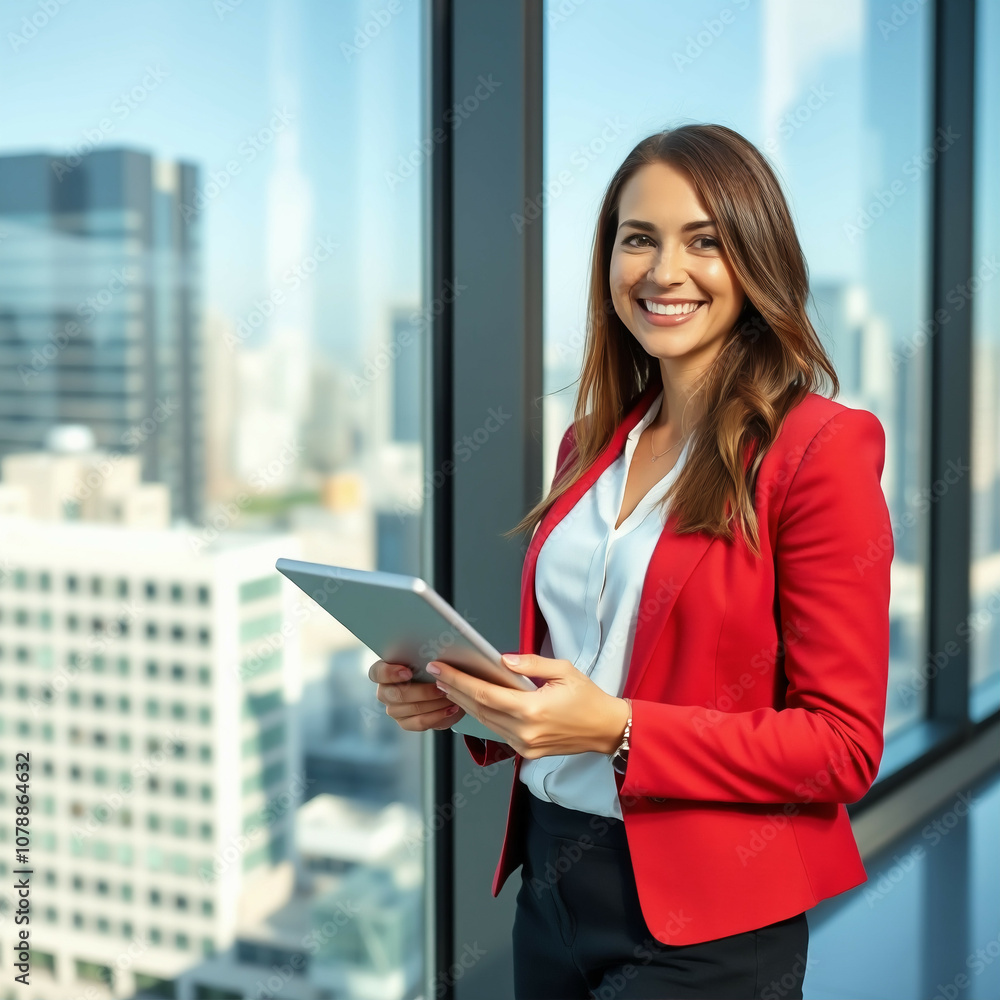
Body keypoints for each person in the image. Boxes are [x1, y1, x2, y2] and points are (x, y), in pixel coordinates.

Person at [367, 123, 892, 999]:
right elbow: (594, 662)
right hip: (551, 882)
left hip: (708, 918)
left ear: (756, 259)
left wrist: (618, 729)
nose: (662, 271)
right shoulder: (589, 444)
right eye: (638, 238)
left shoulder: (819, 449)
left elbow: (841, 747)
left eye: (704, 242)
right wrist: (467, 696)